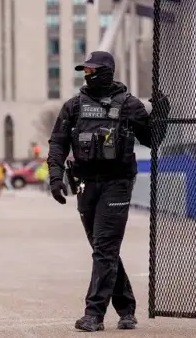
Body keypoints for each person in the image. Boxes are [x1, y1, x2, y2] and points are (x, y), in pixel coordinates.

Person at [46, 50, 170, 332]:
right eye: (85, 71)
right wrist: (55, 177)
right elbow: (58, 143)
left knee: (104, 247)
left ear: (105, 72)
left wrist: (161, 113)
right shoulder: (73, 106)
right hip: (85, 183)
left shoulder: (129, 105)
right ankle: (126, 308)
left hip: (117, 183)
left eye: (91, 70)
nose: (87, 75)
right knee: (102, 248)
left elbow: (152, 140)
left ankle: (94, 314)